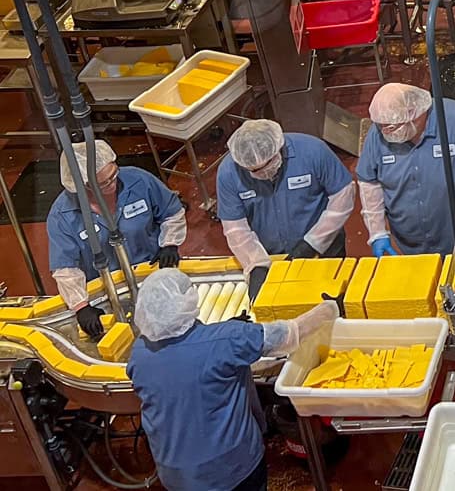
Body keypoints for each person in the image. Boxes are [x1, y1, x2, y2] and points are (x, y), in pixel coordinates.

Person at [128, 268, 337, 491]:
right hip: (231, 468)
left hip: (174, 474)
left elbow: (185, 358)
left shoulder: (139, 353)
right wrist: (331, 309)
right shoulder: (228, 339)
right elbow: (289, 334)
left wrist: (223, 331)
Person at [46, 139, 185, 342]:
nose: (113, 184)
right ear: (82, 186)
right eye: (103, 183)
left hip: (153, 272)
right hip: (106, 287)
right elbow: (65, 268)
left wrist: (170, 244)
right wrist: (81, 306)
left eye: (114, 175)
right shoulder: (63, 215)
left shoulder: (139, 181)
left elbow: (171, 212)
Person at [356, 82, 455, 256]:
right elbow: (368, 182)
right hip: (410, 246)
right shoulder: (379, 133)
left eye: (393, 127)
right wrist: (377, 233)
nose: (386, 132)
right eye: (381, 126)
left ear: (415, 114)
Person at [216, 120, 354, 300]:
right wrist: (256, 263)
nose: (262, 172)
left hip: (326, 247)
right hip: (274, 256)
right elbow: (235, 228)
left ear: (279, 148)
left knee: (331, 300)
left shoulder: (313, 151)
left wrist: (313, 242)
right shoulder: (228, 173)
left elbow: (343, 196)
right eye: (254, 170)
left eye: (267, 164)